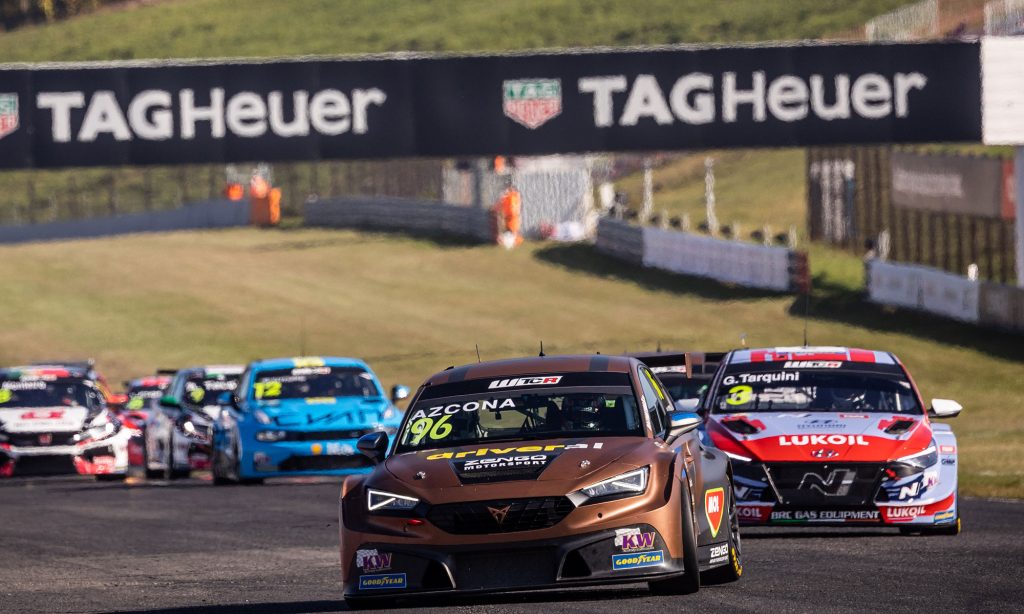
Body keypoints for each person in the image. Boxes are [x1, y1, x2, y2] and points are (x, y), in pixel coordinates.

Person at [493, 179, 523, 248]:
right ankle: (507, 240)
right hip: (508, 215)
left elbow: (515, 205)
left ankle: (511, 241)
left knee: (513, 230)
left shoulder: (514, 195)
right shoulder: (509, 196)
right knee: (508, 229)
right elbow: (502, 204)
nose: (508, 190)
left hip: (512, 216)